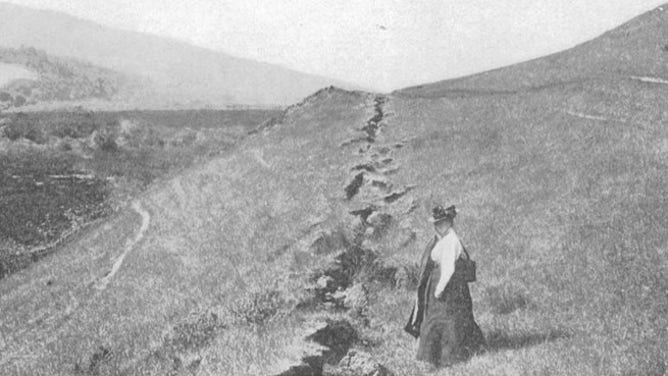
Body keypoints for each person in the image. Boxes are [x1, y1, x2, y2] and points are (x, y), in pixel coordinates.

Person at [404, 204, 485, 367]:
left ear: (449, 223)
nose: (438, 226)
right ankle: (445, 354)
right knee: (447, 319)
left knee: (443, 320)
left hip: (447, 287)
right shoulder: (444, 239)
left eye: (442, 223)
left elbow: (448, 269)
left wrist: (439, 290)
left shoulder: (450, 241)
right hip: (446, 285)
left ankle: (447, 357)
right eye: (436, 223)